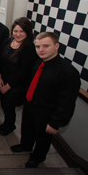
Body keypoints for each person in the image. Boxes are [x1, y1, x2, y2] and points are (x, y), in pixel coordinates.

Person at [10, 32, 80, 168]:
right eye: (38, 46)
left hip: (46, 111)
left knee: (43, 138)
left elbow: (67, 102)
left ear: (57, 46)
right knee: (27, 128)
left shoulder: (68, 72)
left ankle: (37, 157)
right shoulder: (39, 62)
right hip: (31, 104)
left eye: (46, 46)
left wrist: (55, 123)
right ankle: (25, 145)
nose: (41, 50)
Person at [0, 17, 38, 136]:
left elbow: (23, 73)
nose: (18, 34)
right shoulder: (7, 41)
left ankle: (10, 125)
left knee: (10, 107)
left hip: (16, 85)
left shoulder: (30, 49)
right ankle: (6, 123)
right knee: (4, 105)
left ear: (28, 32)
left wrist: (8, 87)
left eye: (22, 31)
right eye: (16, 31)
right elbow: (0, 61)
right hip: (3, 80)